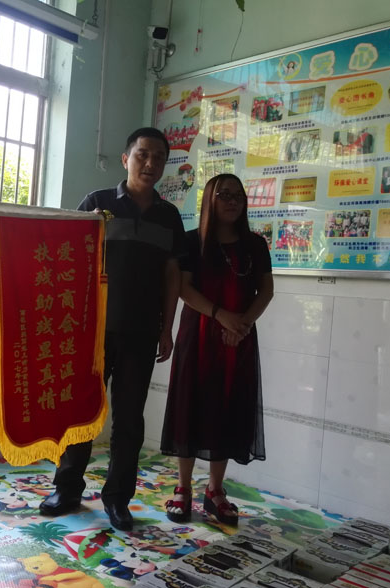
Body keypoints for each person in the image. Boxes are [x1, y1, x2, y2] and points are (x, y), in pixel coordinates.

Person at [38, 127, 186, 531]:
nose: (150, 163)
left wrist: (167, 328)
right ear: (126, 159)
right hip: (93, 332)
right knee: (81, 412)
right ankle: (67, 488)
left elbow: (173, 276)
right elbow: (69, 259)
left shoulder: (169, 216)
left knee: (130, 420)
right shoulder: (97, 203)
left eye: (159, 157)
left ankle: (118, 498)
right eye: (142, 155)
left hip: (142, 332)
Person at [160, 173, 273, 527]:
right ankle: (182, 488)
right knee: (189, 407)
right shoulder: (193, 242)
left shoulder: (256, 245)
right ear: (210, 198)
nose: (233, 201)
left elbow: (266, 291)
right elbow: (184, 289)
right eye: (224, 194)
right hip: (198, 336)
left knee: (227, 409)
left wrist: (242, 324)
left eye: (238, 195)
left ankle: (215, 490)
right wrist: (222, 316)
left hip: (239, 338)